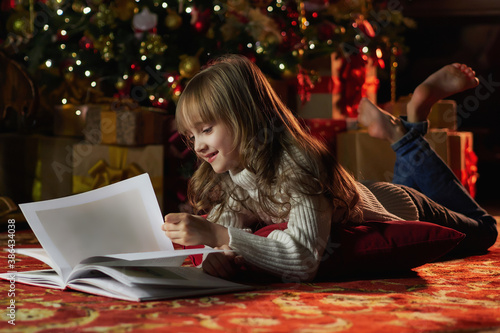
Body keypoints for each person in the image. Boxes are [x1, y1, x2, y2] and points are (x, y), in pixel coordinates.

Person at [162, 55, 497, 281]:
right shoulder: (232, 174)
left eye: (207, 130)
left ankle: (408, 126)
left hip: (404, 204)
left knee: (485, 230)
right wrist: (216, 255)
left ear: (246, 117)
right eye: (191, 136)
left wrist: (219, 235)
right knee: (405, 180)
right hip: (364, 195)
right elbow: (227, 235)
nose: (199, 145)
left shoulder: (299, 164)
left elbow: (304, 258)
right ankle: (410, 123)